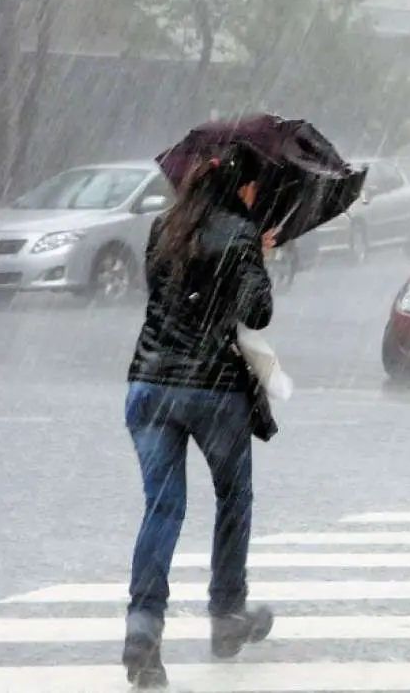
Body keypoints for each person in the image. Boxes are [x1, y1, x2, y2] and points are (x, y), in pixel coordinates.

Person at [122, 141, 276, 688]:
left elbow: (164, 295)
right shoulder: (240, 233)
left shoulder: (163, 227)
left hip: (149, 384)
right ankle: (227, 615)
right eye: (255, 184)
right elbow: (257, 311)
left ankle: (142, 629)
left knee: (161, 510)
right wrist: (257, 253)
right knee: (233, 497)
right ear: (240, 186)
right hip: (212, 390)